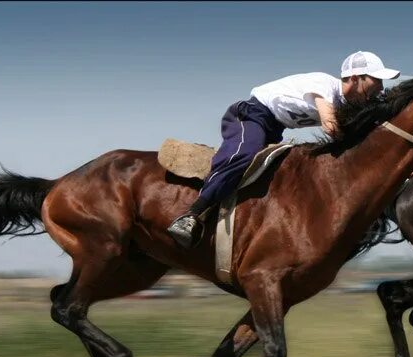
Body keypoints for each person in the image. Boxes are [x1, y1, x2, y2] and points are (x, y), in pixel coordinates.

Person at [167, 51, 400, 248]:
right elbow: (331, 126)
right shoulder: (325, 85)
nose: (380, 88)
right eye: (376, 80)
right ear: (356, 78)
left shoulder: (348, 104)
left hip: (274, 128)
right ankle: (192, 215)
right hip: (251, 115)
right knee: (244, 154)